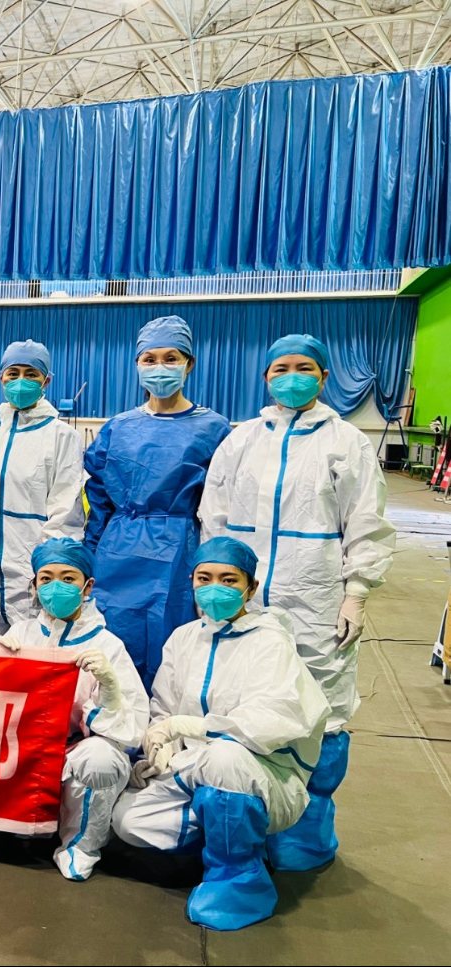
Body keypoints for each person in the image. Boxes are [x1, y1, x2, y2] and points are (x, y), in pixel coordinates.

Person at [198, 333, 394, 870]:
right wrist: (215, 586)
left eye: (303, 368)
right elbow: (214, 517)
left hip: (315, 599)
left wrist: (357, 592)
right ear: (265, 377)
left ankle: (308, 831)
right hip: (245, 599)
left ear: (324, 377)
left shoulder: (346, 442)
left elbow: (367, 522)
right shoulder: (241, 440)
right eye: (280, 368)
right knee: (245, 697)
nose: (291, 377)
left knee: (323, 707)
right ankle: (241, 811)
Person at [111, 537, 329, 931]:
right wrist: (160, 743)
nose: (215, 588)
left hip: (263, 775)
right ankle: (226, 834)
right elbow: (164, 706)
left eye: (229, 580)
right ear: (192, 582)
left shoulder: (269, 642)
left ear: (251, 587)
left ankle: (239, 880)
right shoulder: (183, 638)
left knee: (223, 757)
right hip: (194, 769)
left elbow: (271, 720)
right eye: (205, 578)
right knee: (128, 821)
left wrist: (197, 728)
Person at [82, 316, 233, 689]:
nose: (160, 367)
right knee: (113, 648)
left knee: (174, 650)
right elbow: (98, 501)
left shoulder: (214, 429)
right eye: (150, 359)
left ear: (189, 364)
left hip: (179, 554)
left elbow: (223, 506)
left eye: (171, 358)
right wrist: (89, 557)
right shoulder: (118, 428)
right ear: (137, 364)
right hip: (117, 553)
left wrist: (214, 565)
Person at [0, 538, 148, 881]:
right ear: (34, 584)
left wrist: (110, 689)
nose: (56, 587)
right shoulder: (20, 633)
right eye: (46, 578)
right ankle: (19, 822)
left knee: (101, 759)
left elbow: (132, 728)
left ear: (88, 586)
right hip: (28, 747)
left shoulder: (108, 645)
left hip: (75, 750)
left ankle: (81, 846)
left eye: (68, 578)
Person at [0, 340, 84, 641]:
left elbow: (65, 512)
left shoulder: (62, 437)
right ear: (1, 377)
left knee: (34, 649)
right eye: (13, 373)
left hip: (30, 570)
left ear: (46, 381)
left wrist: (47, 569)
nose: (21, 381)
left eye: (31, 374)